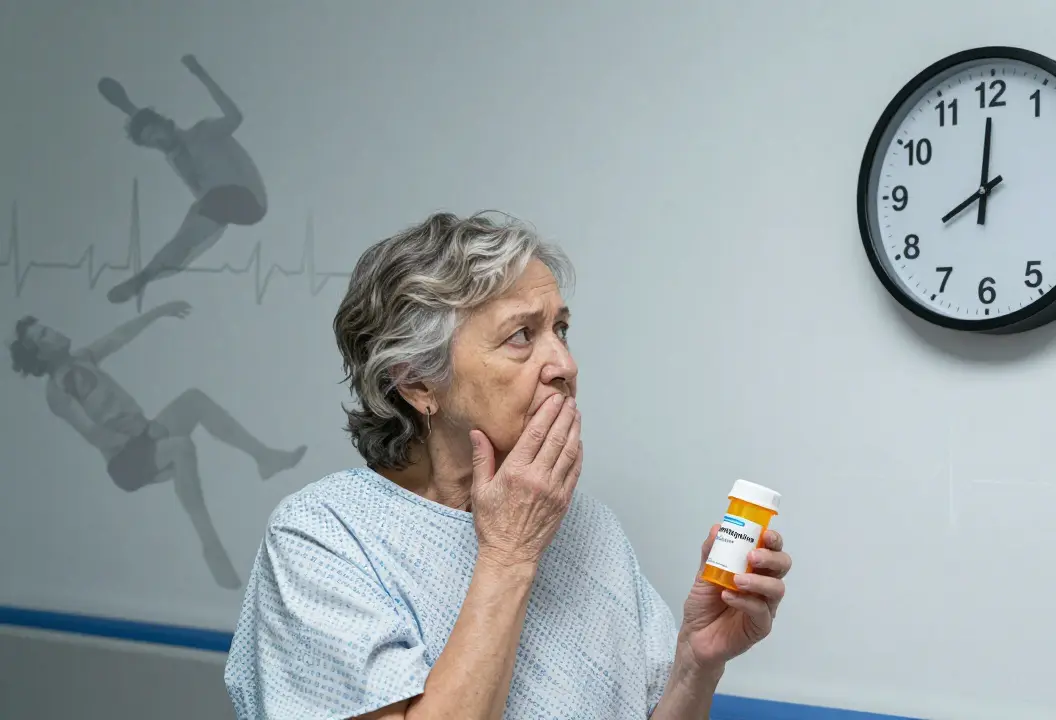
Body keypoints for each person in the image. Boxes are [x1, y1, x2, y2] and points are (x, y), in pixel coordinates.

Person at [223, 211, 793, 719]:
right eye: (522, 336)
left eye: (560, 329)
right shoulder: (322, 536)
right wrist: (510, 553)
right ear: (417, 379)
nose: (564, 364)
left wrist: (697, 662)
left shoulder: (592, 530)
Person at [8, 302, 306, 589]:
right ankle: (210, 545)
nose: (53, 332)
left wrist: (158, 312)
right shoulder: (57, 392)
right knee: (180, 446)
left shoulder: (83, 358)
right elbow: (94, 434)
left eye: (47, 328)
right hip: (125, 461)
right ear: (40, 354)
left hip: (143, 439)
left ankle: (264, 458)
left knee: (193, 400)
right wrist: (137, 434)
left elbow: (119, 335)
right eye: (43, 335)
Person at [96, 54, 268, 304]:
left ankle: (151, 272)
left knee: (202, 208)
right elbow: (146, 123)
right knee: (185, 239)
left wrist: (201, 73)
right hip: (222, 205)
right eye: (152, 143)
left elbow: (235, 117)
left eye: (158, 135)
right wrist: (131, 113)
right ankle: (146, 276)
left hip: (247, 197)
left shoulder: (204, 131)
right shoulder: (177, 159)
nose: (158, 143)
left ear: (167, 124)